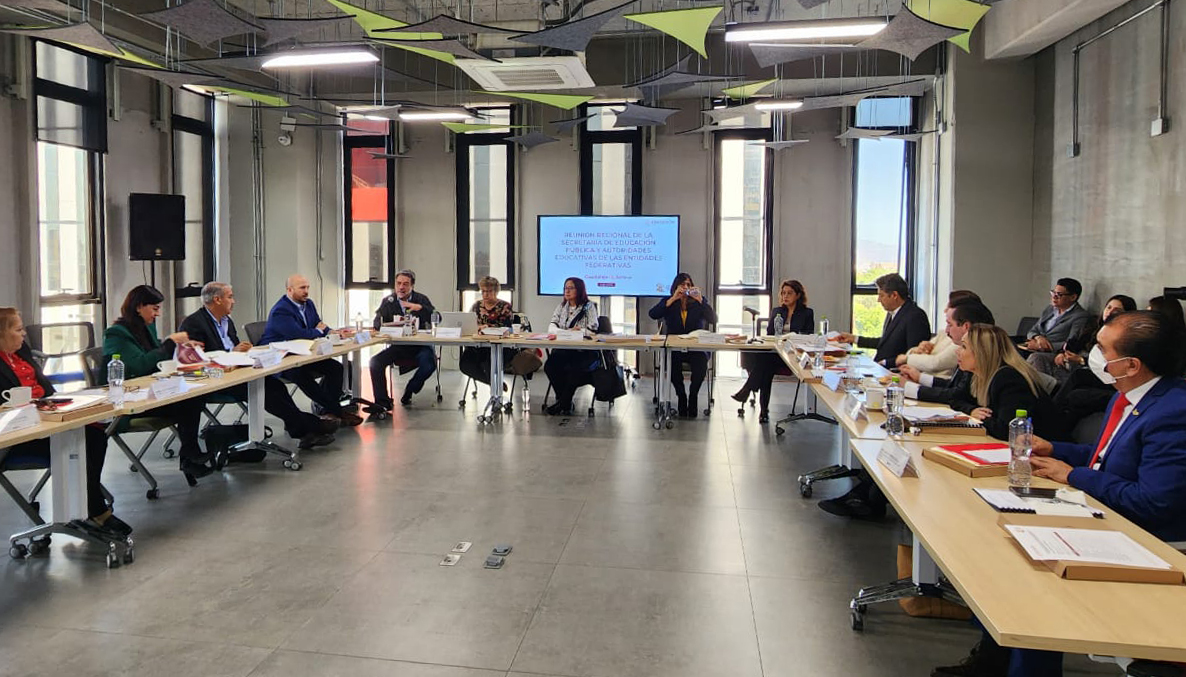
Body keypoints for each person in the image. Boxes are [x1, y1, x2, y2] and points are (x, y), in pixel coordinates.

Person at [935, 311, 1186, 677]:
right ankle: (994, 659)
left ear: (1131, 365)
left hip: (1146, 538)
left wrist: (1073, 475)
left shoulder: (1173, 412)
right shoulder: (1128, 397)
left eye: (1103, 349)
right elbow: (1104, 459)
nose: (1093, 355)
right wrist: (1056, 450)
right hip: (1105, 513)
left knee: (1031, 579)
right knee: (1000, 545)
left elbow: (1153, 502)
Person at [0, 308, 131, 537]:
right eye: (18, 329)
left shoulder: (22, 352)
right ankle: (95, 510)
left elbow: (46, 388)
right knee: (79, 445)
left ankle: (87, 507)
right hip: (17, 436)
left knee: (94, 436)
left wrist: (57, 403)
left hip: (46, 420)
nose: (24, 334)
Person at [178, 282, 336, 450]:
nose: (234, 301)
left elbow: (234, 349)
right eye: (230, 297)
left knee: (275, 386)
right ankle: (312, 425)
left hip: (239, 372)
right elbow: (195, 361)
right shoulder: (193, 323)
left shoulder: (227, 321)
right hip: (216, 380)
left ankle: (303, 430)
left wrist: (244, 351)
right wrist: (231, 352)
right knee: (266, 391)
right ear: (217, 300)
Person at [102, 285, 213, 481]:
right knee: (189, 402)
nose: (158, 314)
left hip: (150, 391)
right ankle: (189, 455)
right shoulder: (116, 334)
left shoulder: (146, 328)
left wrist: (181, 347)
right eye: (154, 308)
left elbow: (155, 354)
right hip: (128, 400)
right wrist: (170, 343)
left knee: (194, 396)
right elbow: (140, 365)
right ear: (139, 307)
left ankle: (189, 455)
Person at [261, 274, 362, 426]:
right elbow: (298, 335)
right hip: (281, 358)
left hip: (303, 353)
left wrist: (331, 332)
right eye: (302, 288)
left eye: (307, 287)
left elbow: (318, 323)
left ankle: (327, 410)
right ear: (289, 290)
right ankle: (336, 410)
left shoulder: (308, 304)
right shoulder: (281, 310)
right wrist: (319, 331)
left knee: (336, 367)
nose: (306, 291)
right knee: (301, 375)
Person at [951, 324, 1066, 441]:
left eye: (964, 347)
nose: (957, 351)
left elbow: (1007, 430)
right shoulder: (979, 374)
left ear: (982, 352)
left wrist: (981, 418)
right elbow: (955, 399)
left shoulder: (1008, 378)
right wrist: (971, 410)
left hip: (1043, 447)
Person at [731, 279, 813, 422]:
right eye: (783, 293)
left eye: (789, 293)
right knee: (766, 366)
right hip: (775, 353)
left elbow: (808, 335)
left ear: (798, 295)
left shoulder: (807, 313)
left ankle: (748, 392)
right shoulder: (777, 311)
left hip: (793, 355)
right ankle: (762, 411)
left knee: (764, 365)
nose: (785, 296)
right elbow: (770, 334)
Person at [899, 299, 996, 409]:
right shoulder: (966, 351)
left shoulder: (975, 356)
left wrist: (908, 387)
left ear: (966, 326)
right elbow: (953, 386)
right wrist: (919, 377)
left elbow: (957, 395)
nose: (946, 330)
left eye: (950, 324)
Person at [649, 273, 718, 418]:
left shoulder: (699, 302)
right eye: (682, 285)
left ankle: (693, 395)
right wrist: (673, 298)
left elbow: (713, 319)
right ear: (676, 287)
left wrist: (700, 300)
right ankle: (681, 395)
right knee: (671, 364)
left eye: (688, 284)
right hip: (675, 347)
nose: (686, 287)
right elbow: (653, 314)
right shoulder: (669, 302)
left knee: (701, 364)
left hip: (695, 348)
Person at [368, 269, 437, 409]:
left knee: (429, 365)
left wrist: (420, 308)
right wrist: (384, 326)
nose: (401, 287)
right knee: (375, 362)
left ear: (412, 286)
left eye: (405, 284)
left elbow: (437, 317)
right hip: (399, 346)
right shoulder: (389, 301)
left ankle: (410, 389)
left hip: (420, 346)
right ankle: (382, 402)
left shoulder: (421, 299)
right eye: (398, 283)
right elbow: (377, 322)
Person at [1029, 293, 1135, 379]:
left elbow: (1108, 363)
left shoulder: (1124, 337)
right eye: (1108, 307)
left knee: (1077, 374)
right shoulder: (1093, 325)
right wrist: (1062, 353)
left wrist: (1081, 359)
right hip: (1071, 360)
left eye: (1117, 311)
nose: (1110, 312)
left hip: (1090, 368)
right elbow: (1073, 341)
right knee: (1037, 357)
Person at [835, 273, 930, 368]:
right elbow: (887, 343)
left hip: (894, 371)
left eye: (881, 295)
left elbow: (914, 356)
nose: (878, 300)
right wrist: (855, 339)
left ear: (894, 295)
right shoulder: (892, 312)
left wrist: (886, 363)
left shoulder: (916, 316)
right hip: (881, 367)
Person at [543, 276, 601, 416]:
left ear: (579, 290)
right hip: (564, 349)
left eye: (571, 288)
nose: (567, 291)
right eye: (565, 288)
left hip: (583, 351)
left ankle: (563, 403)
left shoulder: (589, 307)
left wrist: (580, 331)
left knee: (574, 370)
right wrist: (568, 332)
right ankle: (565, 402)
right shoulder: (562, 306)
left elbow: (593, 329)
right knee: (550, 366)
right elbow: (551, 328)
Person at [894, 290, 981, 380]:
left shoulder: (961, 342)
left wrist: (907, 358)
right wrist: (917, 350)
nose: (945, 310)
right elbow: (919, 353)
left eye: (949, 306)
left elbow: (935, 363)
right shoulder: (944, 333)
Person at [458, 275, 516, 387]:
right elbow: (470, 323)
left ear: (496, 292)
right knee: (465, 364)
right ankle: (493, 383)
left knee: (490, 362)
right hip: (478, 345)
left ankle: (495, 387)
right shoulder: (477, 306)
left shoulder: (505, 306)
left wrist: (487, 327)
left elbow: (506, 328)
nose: (485, 294)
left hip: (498, 346)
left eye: (489, 291)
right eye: (483, 291)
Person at [1020, 277, 1091, 355]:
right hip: (1033, 345)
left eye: (1059, 294)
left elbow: (1071, 343)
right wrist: (1038, 338)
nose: (1054, 297)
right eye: (1053, 293)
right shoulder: (1050, 309)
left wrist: (1041, 346)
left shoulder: (1080, 316)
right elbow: (1033, 330)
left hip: (1054, 353)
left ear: (1073, 297)